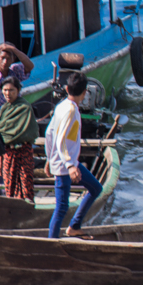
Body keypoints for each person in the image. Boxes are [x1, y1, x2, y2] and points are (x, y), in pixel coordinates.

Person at [45, 73, 103, 238]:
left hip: (66, 162)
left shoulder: (61, 106)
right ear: (85, 93)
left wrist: (49, 159)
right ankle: (51, 244)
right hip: (65, 166)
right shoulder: (70, 110)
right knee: (62, 207)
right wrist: (69, 165)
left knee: (95, 188)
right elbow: (61, 139)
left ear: (67, 89)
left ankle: (74, 226)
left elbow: (49, 133)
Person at [0, 75, 38, 202]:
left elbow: (28, 131)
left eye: (11, 90)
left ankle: (29, 212)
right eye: (5, 90)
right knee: (10, 187)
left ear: (18, 91)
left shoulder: (25, 107)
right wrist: (0, 160)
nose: (8, 93)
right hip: (8, 153)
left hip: (23, 151)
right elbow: (1, 136)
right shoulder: (4, 109)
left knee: (26, 186)